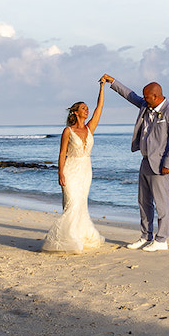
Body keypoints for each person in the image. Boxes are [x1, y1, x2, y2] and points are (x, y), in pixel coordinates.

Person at [101, 75, 169, 252]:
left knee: (162, 204)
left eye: (146, 97)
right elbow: (131, 96)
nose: (143, 99)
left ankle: (162, 239)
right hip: (145, 160)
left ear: (156, 96)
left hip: (160, 164)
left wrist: (168, 163)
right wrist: (113, 82)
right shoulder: (146, 105)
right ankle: (146, 236)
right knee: (144, 201)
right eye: (144, 97)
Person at [41, 74, 110, 253]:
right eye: (83, 108)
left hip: (86, 170)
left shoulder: (89, 128)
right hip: (70, 170)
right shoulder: (68, 131)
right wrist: (60, 173)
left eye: (87, 108)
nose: (87, 111)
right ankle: (66, 239)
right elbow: (62, 153)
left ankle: (79, 238)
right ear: (75, 112)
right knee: (71, 203)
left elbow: (99, 108)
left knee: (81, 204)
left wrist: (102, 87)